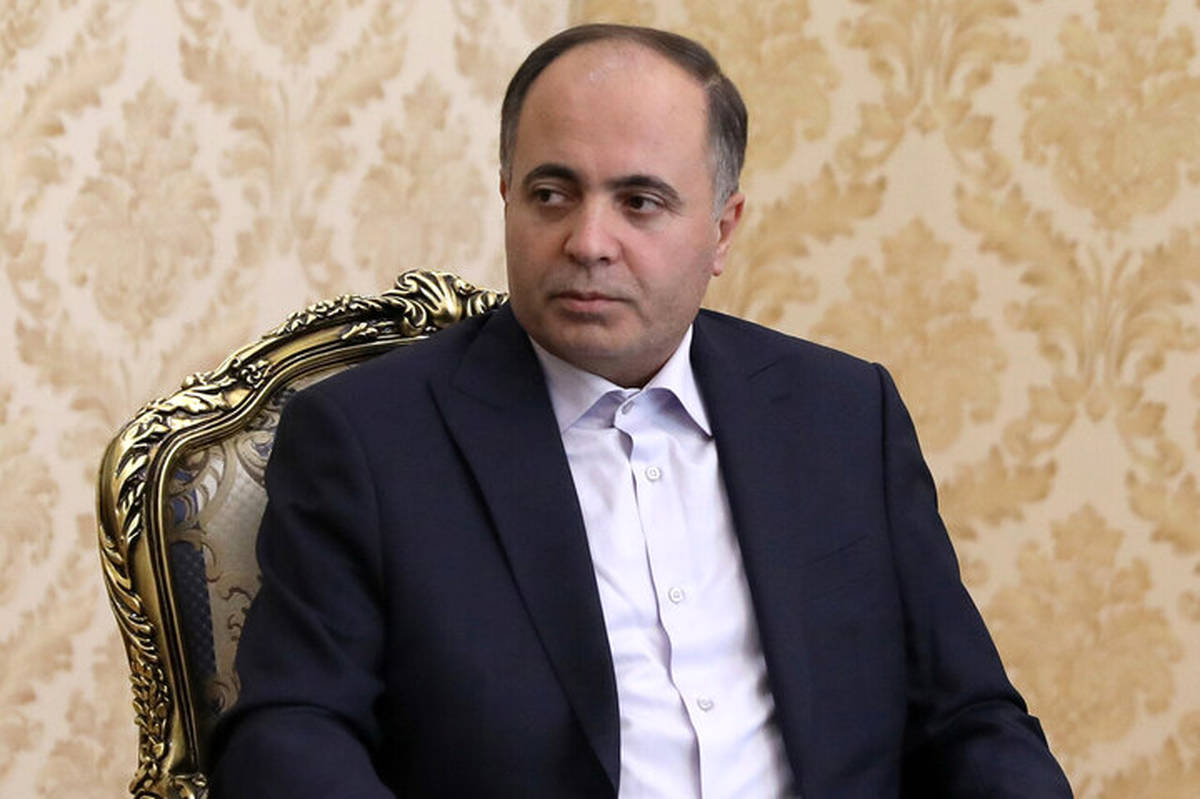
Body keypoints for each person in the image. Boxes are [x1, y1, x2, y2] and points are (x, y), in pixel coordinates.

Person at [210, 23, 1073, 798]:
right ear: (506, 195)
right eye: (552, 194)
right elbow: (288, 734)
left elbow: (970, 717)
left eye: (640, 202)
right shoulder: (371, 438)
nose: (589, 242)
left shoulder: (843, 416)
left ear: (723, 230)